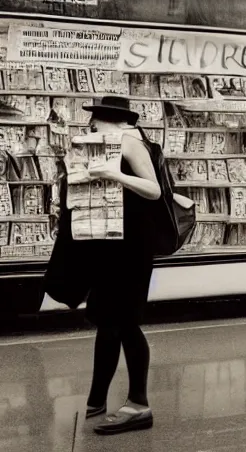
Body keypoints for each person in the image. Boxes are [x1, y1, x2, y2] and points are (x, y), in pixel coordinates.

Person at [52, 96, 161, 435]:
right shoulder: (112, 143)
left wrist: (116, 174)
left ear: (106, 118)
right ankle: (96, 399)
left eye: (94, 120)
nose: (91, 126)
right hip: (111, 246)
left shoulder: (131, 143)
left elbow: (153, 190)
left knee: (125, 322)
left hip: (130, 252)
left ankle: (139, 405)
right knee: (107, 321)